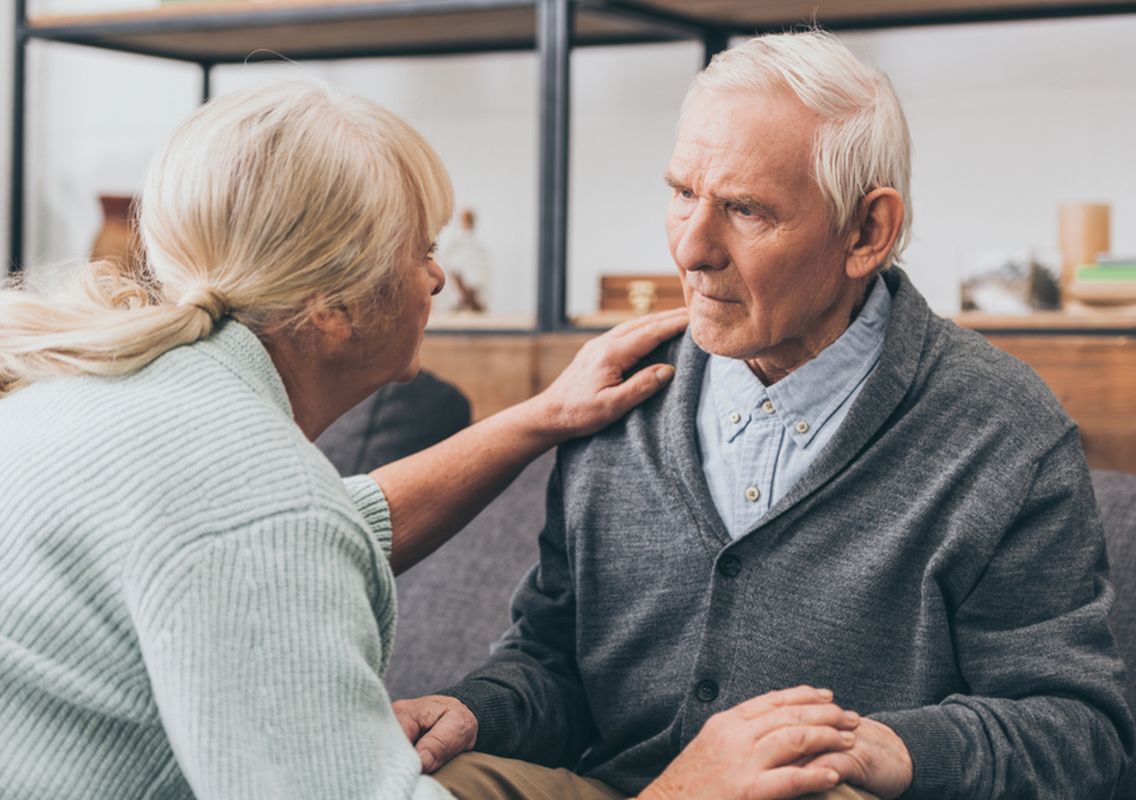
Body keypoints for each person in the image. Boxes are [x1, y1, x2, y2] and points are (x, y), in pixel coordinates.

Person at [0, 80, 864, 800]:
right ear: (332, 305)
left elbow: (331, 522)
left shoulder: (126, 398)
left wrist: (539, 416)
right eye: (416, 249)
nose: (434, 279)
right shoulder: (251, 506)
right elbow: (275, 534)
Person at [394, 30, 1135, 800]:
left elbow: (1079, 735)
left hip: (822, 794)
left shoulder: (1001, 429)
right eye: (683, 193)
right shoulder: (618, 390)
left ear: (865, 232)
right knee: (413, 780)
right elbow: (553, 661)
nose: (691, 249)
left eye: (745, 210)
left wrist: (888, 749)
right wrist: (476, 711)